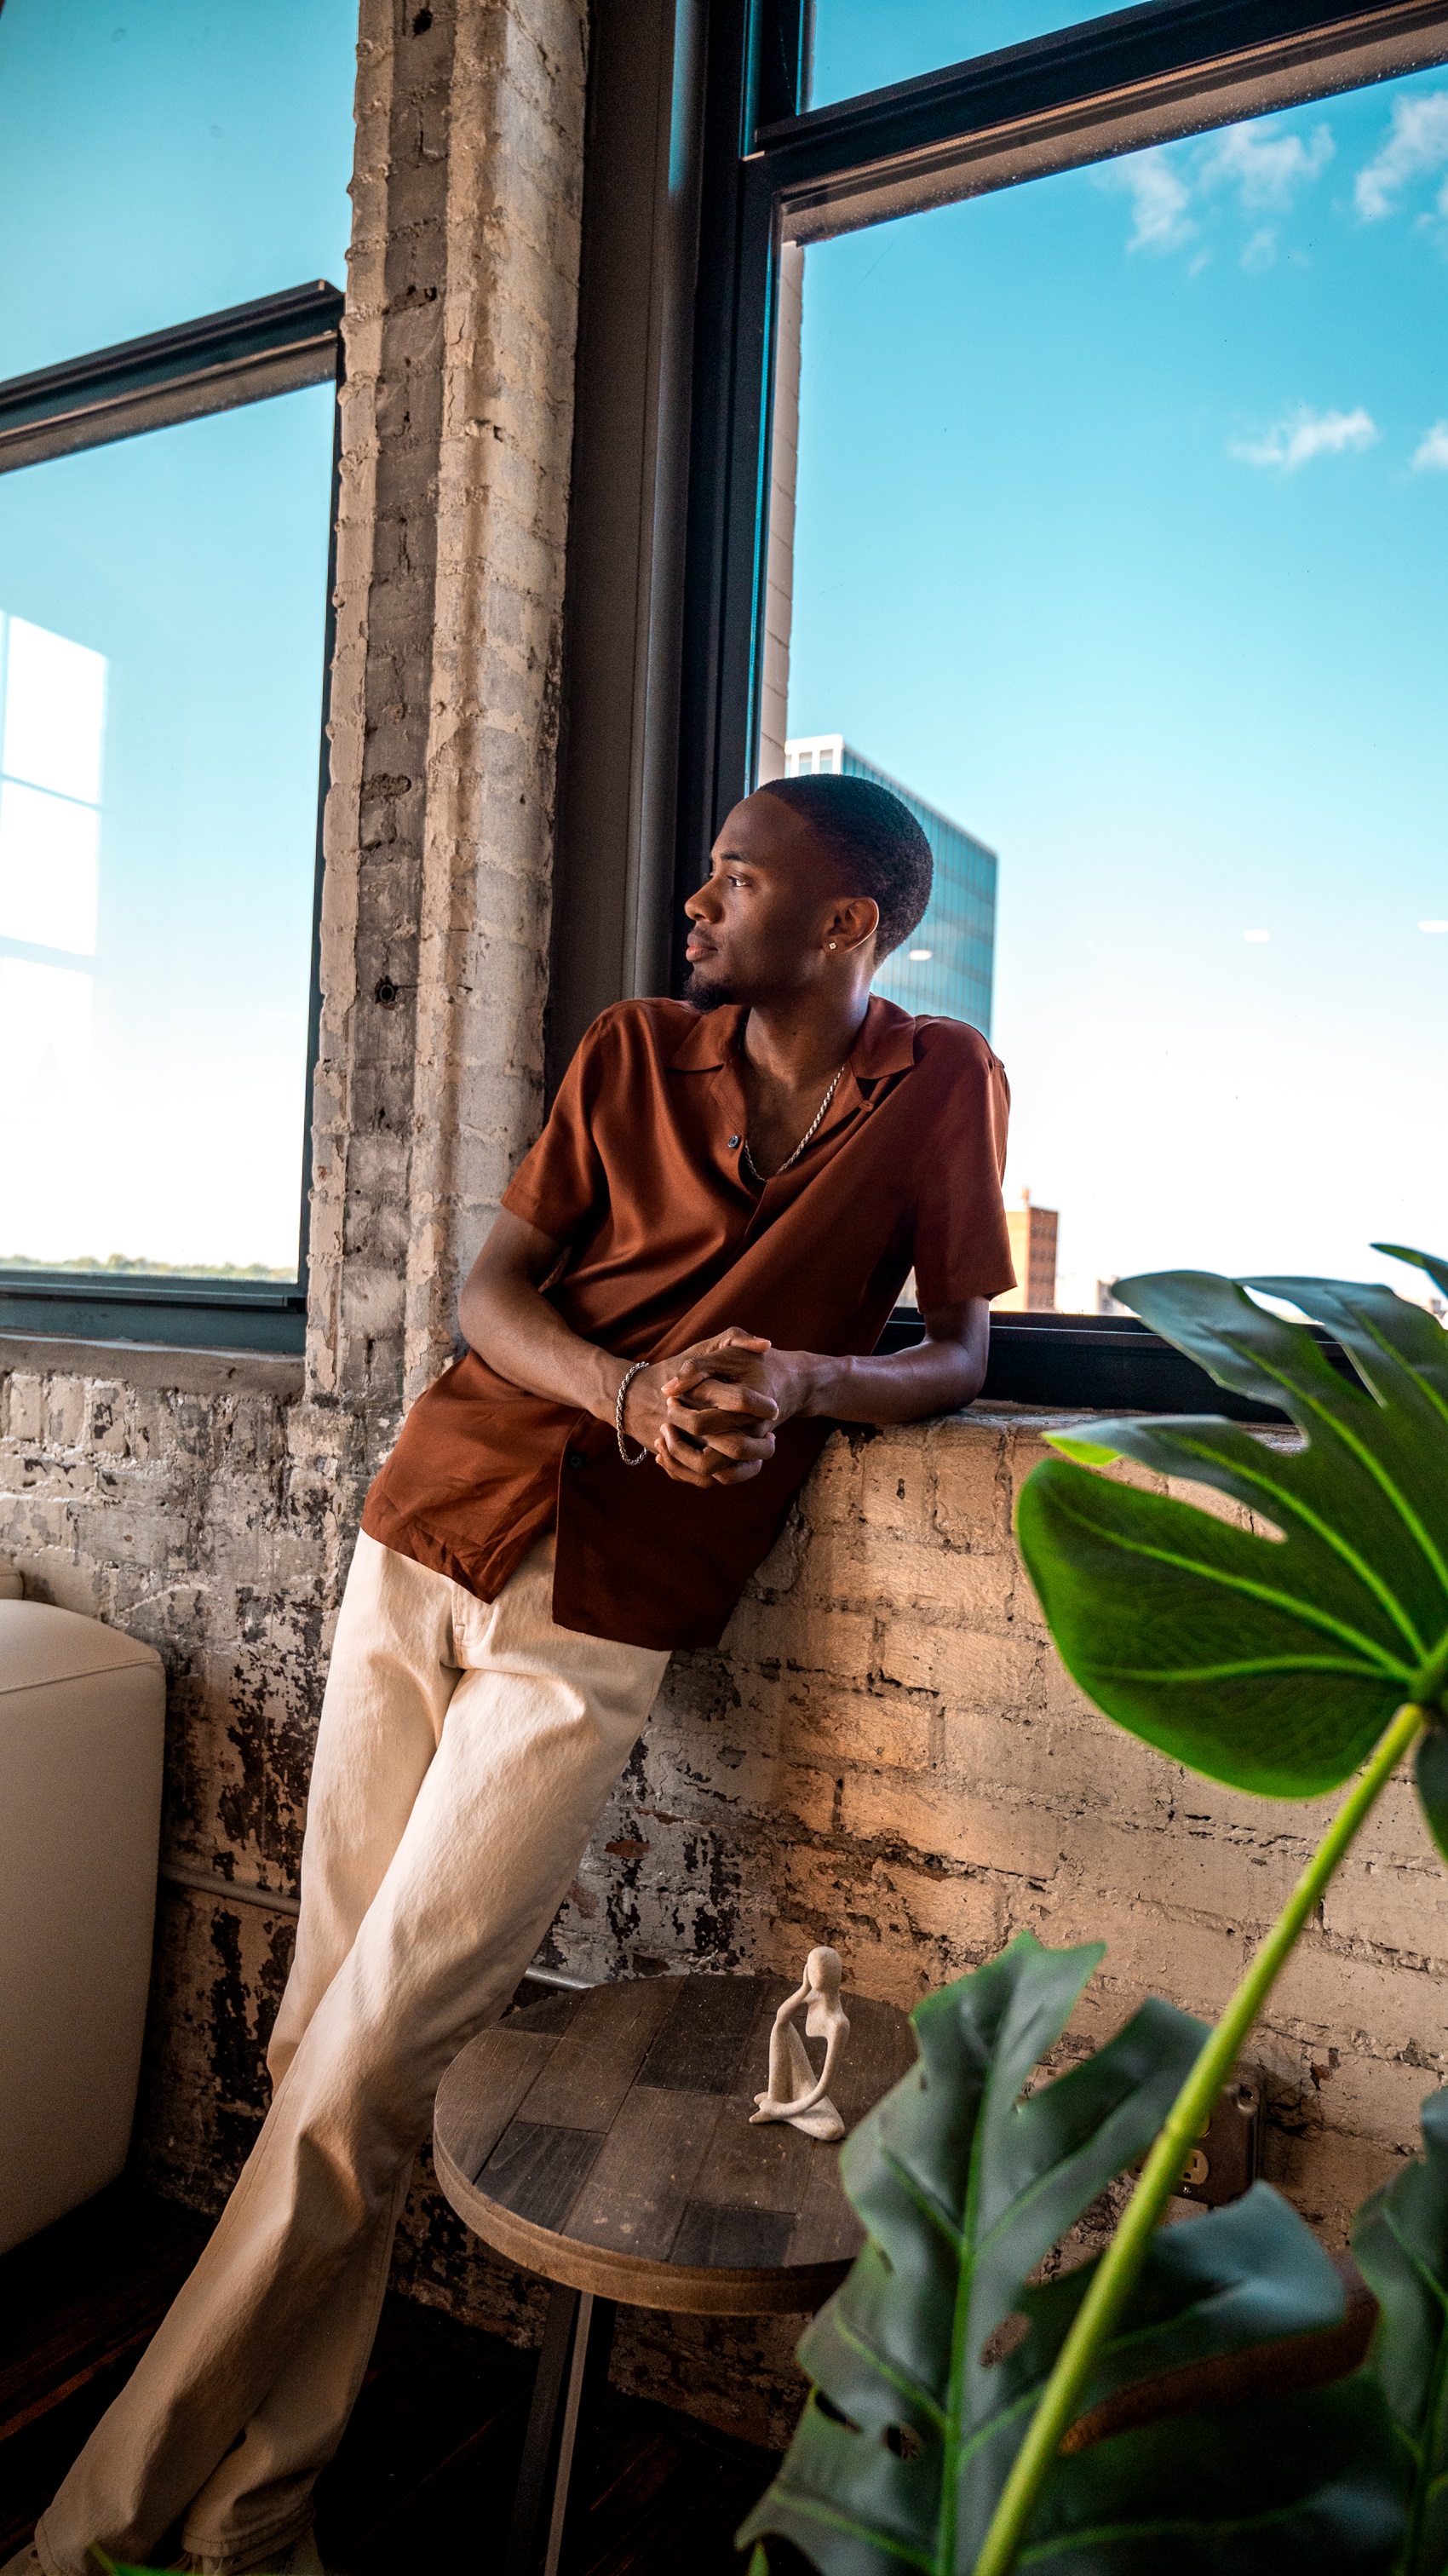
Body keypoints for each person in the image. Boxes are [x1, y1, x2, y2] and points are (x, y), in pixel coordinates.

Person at [14, 772, 1013, 2576]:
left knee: (373, 2061)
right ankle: (256, 2520)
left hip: (610, 1605)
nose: (698, 902)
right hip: (432, 1523)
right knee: (326, 2048)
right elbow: (491, 1298)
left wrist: (806, 1380)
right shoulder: (630, 1051)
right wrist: (627, 1389)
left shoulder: (940, 1085)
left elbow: (956, 1349)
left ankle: (95, 2537)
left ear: (847, 921)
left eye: (736, 878)